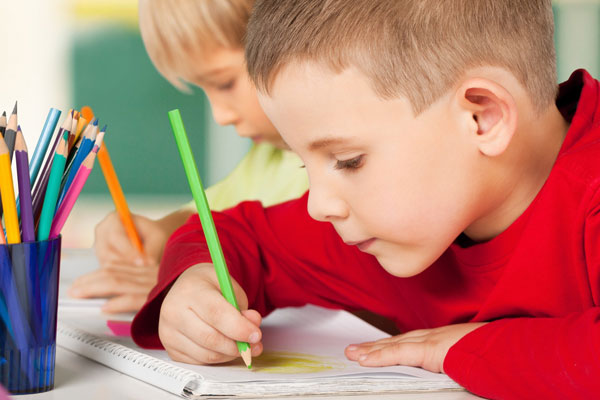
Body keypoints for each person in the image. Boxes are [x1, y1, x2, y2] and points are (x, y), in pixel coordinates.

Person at [131, 0, 600, 398]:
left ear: (483, 118)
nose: (318, 206)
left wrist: (461, 349)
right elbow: (236, 235)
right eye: (302, 163)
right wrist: (197, 286)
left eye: (348, 160)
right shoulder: (380, 223)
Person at [67, 0, 309, 313]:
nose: (219, 116)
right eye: (203, 89)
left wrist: (178, 279)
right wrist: (164, 232)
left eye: (225, 83)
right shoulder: (269, 157)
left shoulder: (338, 165)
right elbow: (215, 217)